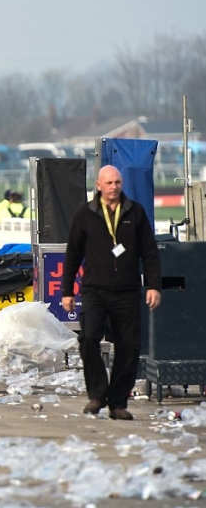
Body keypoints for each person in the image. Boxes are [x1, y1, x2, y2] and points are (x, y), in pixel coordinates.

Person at [61, 165, 161, 421]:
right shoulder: (85, 214)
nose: (114, 187)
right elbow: (73, 254)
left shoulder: (135, 212)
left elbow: (149, 252)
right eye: (109, 183)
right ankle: (97, 394)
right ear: (98, 185)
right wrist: (67, 291)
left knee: (129, 347)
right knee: (89, 338)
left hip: (127, 290)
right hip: (95, 289)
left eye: (117, 182)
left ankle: (118, 403)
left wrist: (153, 285)